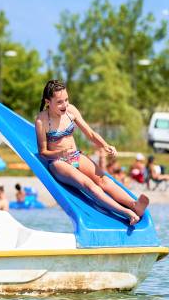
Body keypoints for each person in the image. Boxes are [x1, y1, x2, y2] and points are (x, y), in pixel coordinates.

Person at [35, 80, 148, 225]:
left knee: (104, 180)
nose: (65, 105)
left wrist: (105, 145)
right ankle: (125, 212)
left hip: (74, 156)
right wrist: (60, 153)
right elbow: (43, 152)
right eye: (59, 102)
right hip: (57, 162)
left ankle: (134, 205)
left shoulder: (71, 111)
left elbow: (90, 134)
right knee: (89, 185)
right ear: (48, 102)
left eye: (67, 100)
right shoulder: (41, 121)